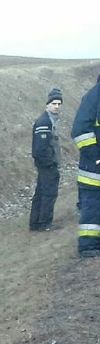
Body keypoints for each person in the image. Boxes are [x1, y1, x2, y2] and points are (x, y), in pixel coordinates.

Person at [71, 74, 100, 258]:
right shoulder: (93, 97)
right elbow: (79, 131)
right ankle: (88, 246)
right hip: (93, 170)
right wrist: (96, 156)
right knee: (92, 208)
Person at [29, 88, 63, 231]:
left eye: (59, 104)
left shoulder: (49, 120)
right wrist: (50, 163)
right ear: (47, 105)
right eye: (54, 103)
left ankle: (35, 223)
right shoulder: (44, 122)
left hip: (45, 165)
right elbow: (40, 149)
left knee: (41, 193)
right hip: (47, 165)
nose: (56, 106)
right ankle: (44, 223)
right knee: (49, 193)